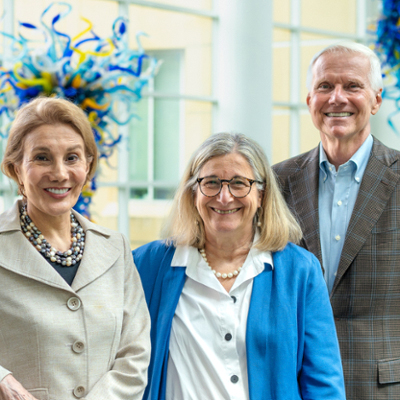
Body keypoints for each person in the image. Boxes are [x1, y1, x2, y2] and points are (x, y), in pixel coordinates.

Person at [133, 132, 345, 400]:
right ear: (193, 191)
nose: (224, 197)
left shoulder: (299, 272)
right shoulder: (147, 266)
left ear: (261, 194)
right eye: (211, 183)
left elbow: (323, 384)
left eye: (238, 183)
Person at [272, 42, 400, 399]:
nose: (337, 98)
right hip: (294, 381)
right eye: (325, 86)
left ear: (376, 99)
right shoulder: (275, 183)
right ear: (309, 99)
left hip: (384, 385)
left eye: (352, 86)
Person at [0, 97, 150, 400]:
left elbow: (135, 354)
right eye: (42, 157)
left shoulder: (115, 249)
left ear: (88, 166)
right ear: (16, 169)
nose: (59, 173)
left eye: (72, 158)